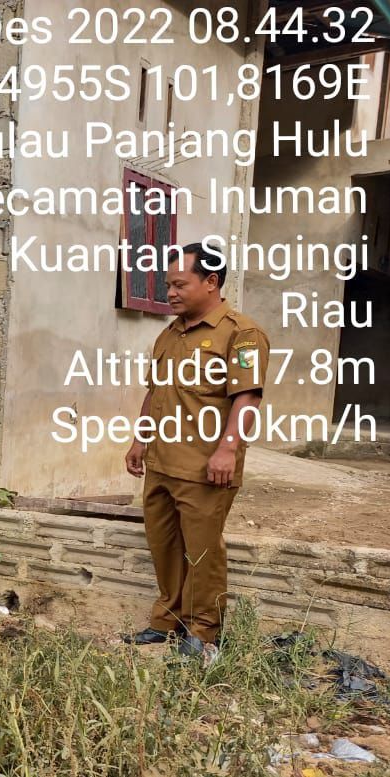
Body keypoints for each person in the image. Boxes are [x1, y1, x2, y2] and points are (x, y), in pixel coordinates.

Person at [124, 242, 270, 659]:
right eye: (167, 285)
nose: (169, 293)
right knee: (163, 544)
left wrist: (228, 450)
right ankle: (167, 620)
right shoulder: (168, 335)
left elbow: (247, 399)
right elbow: (155, 392)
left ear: (211, 282)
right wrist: (140, 439)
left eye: (179, 284)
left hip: (207, 467)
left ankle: (204, 631)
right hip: (162, 463)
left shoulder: (241, 333)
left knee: (203, 550)